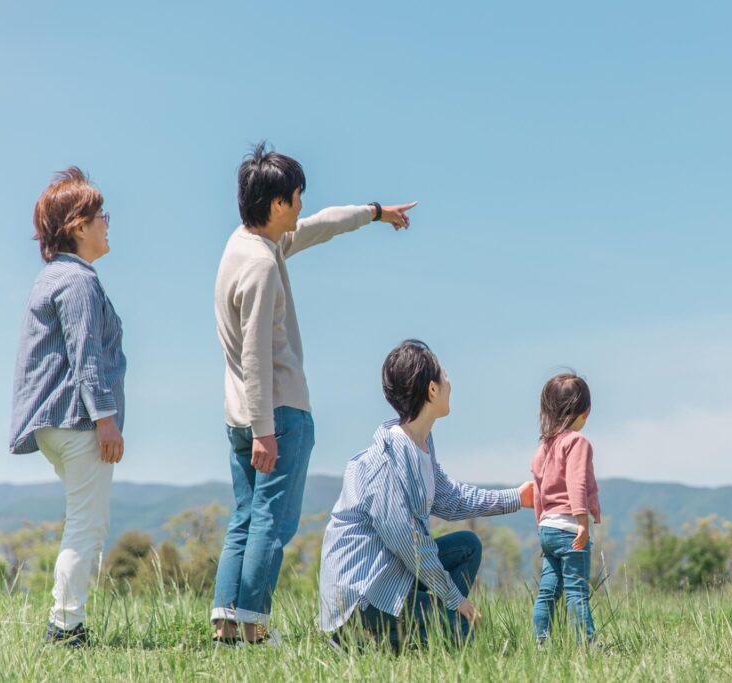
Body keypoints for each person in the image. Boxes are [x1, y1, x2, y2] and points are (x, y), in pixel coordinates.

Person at [210, 142, 417, 645]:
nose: (301, 206)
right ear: (277, 203)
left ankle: (226, 621)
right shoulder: (261, 264)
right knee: (272, 525)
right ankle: (253, 627)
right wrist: (266, 431)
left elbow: (320, 225)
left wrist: (372, 213)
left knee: (243, 519)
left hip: (239, 413)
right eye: (297, 197)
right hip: (276, 412)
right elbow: (258, 354)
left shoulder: (244, 245)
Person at [319, 340, 536, 651]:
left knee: (467, 546)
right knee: (464, 635)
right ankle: (358, 640)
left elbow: (449, 499)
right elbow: (410, 545)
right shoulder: (385, 461)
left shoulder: (421, 444)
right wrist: (455, 599)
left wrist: (517, 497)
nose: (450, 383)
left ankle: (419, 630)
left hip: (391, 576)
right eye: (444, 376)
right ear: (432, 390)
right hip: (363, 598)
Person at [10, 168, 126, 647]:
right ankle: (65, 627)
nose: (107, 223)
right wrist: (106, 419)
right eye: (101, 215)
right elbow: (86, 355)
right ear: (78, 226)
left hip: (51, 422)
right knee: (87, 526)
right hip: (77, 420)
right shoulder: (78, 282)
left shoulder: (51, 277)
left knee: (83, 521)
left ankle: (66, 622)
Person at [530, 372, 599, 646]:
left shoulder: (544, 446)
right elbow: (576, 481)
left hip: (547, 527)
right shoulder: (577, 442)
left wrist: (541, 528)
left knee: (547, 591)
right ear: (585, 412)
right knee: (576, 592)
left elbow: (537, 492)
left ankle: (541, 644)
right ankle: (588, 646)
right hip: (570, 528)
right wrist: (582, 519)